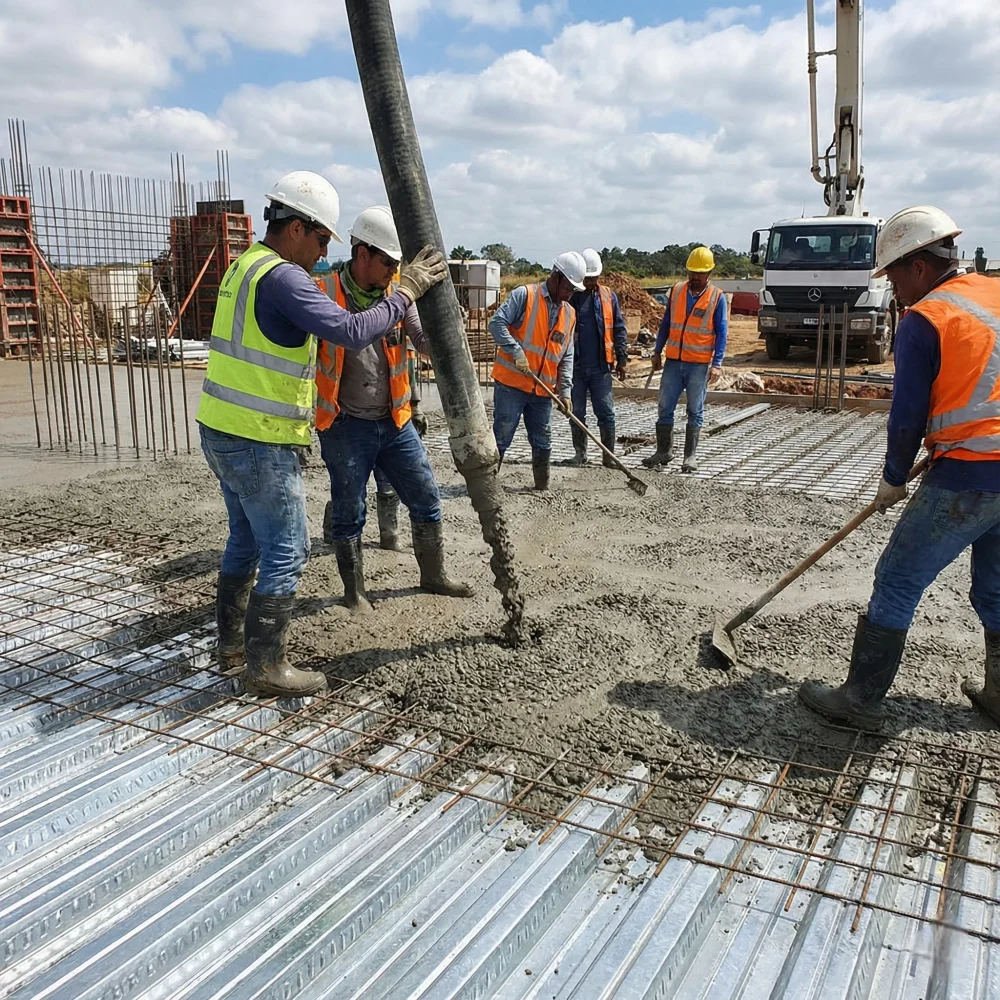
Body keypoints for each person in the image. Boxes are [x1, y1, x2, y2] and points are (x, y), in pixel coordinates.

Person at [197, 173, 446, 697]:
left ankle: (232, 648)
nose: (321, 251)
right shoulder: (284, 277)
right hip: (258, 437)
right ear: (295, 229)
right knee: (288, 550)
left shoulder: (242, 266)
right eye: (320, 239)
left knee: (245, 539)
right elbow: (352, 331)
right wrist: (407, 293)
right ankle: (265, 666)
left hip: (223, 428)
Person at [798, 205, 1000, 731]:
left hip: (970, 475)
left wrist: (893, 476)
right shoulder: (994, 293)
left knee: (898, 578)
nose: (892, 288)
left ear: (918, 265)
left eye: (891, 274)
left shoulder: (926, 319)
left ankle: (860, 700)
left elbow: (907, 414)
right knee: (997, 587)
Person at [315, 205, 472, 614]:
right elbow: (342, 339)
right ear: (362, 253)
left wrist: (447, 331)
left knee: (426, 499)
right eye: (388, 262)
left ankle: (433, 575)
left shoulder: (396, 295)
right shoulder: (325, 292)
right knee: (349, 512)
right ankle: (354, 593)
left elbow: (420, 339)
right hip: (345, 424)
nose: (393, 271)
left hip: (395, 421)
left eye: (398, 265)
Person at [488, 252, 585, 490]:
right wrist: (515, 351)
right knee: (501, 436)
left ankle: (542, 487)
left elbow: (566, 355)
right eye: (568, 287)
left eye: (574, 290)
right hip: (512, 384)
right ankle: (486, 487)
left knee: (543, 440)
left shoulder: (569, 313)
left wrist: (565, 391)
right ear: (556, 276)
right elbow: (496, 323)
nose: (569, 294)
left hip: (542, 392)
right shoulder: (525, 295)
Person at [643, 246, 728, 473]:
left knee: (695, 409)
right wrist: (657, 351)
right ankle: (664, 451)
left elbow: (721, 333)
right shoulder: (678, 291)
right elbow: (666, 324)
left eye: (699, 273)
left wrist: (717, 364)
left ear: (709, 273)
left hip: (698, 365)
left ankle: (690, 456)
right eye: (692, 272)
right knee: (665, 406)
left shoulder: (716, 298)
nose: (694, 277)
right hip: (673, 362)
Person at [566, 247, 629, 467]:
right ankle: (580, 454)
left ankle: (608, 457)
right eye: (588, 278)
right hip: (575, 368)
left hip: (601, 367)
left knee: (606, 412)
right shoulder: (570, 297)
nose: (591, 282)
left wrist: (622, 358)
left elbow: (619, 328)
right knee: (577, 412)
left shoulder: (608, 296)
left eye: (594, 278)